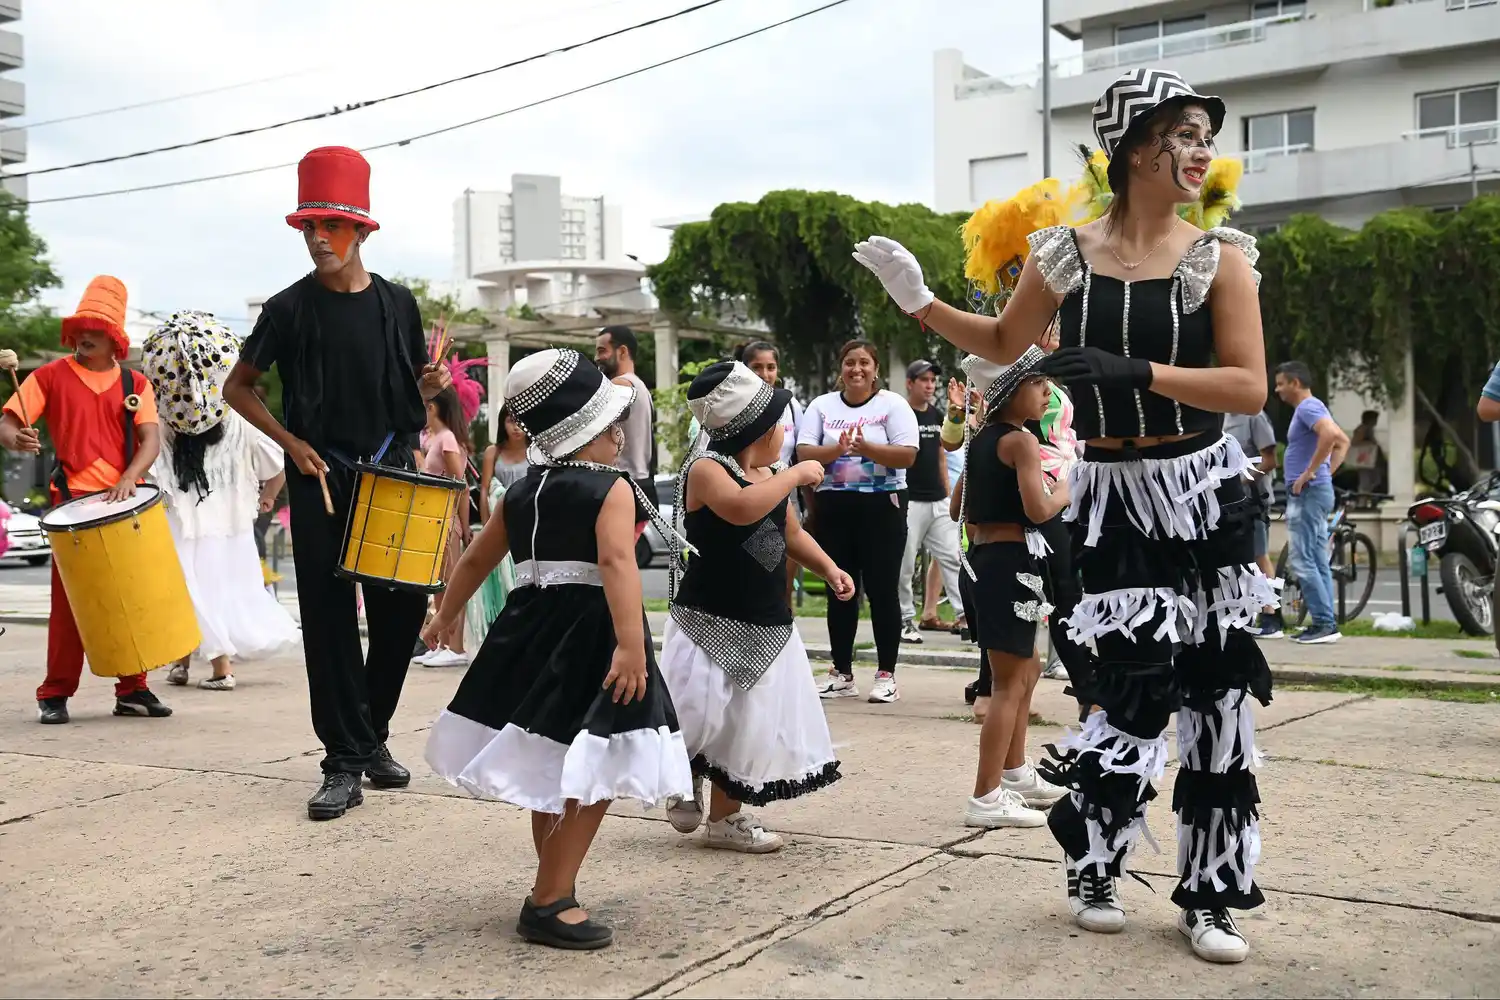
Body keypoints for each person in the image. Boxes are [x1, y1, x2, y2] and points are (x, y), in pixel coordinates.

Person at [854, 69, 1275, 964]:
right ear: (1134, 146)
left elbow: (1248, 385)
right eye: (1186, 134)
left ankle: (1211, 894)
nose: (1202, 152)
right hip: (1116, 502)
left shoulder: (1220, 258)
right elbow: (1006, 344)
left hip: (1204, 492)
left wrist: (1140, 376)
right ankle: (1096, 859)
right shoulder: (1064, 256)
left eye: (1205, 136)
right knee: (1128, 689)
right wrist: (919, 304)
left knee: (1217, 692)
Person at [423, 348, 693, 951]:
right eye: (611, 425)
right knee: (591, 770)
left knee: (550, 761)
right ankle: (549, 899)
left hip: (530, 628)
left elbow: (474, 558)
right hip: (593, 633)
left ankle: (553, 879)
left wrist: (447, 612)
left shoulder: (521, 493)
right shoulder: (610, 489)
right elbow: (616, 562)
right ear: (587, 429)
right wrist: (630, 645)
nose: (620, 437)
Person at [223, 146, 453, 820]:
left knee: (401, 611)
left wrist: (428, 384)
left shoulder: (397, 304)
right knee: (328, 622)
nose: (318, 239)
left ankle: (370, 737)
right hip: (319, 478)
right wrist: (291, 444)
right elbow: (239, 388)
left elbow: (406, 381)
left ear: (361, 231)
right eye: (308, 228)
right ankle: (342, 762)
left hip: (391, 475)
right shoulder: (288, 309)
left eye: (331, 226)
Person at [658, 360, 852, 852]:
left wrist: (829, 569)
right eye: (777, 424)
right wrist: (796, 476)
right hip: (709, 620)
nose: (785, 432)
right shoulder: (707, 470)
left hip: (764, 621)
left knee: (748, 725)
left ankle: (727, 819)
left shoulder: (767, 472)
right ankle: (682, 775)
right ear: (752, 429)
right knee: (699, 714)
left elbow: (789, 532)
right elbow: (743, 507)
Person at [0, 276, 172, 724]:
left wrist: (131, 477)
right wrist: (15, 438)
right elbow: (9, 421)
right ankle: (55, 692)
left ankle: (133, 688)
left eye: (94, 328)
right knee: (71, 603)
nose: (83, 335)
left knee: (129, 597)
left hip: (122, 504)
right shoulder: (49, 376)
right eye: (79, 327)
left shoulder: (135, 381)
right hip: (71, 502)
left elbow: (151, 439)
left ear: (114, 337)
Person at [143, 311, 300, 691]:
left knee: (187, 589)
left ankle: (221, 668)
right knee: (211, 590)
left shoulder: (165, 426)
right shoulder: (238, 421)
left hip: (183, 524)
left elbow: (150, 472)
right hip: (230, 526)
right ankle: (182, 662)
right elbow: (278, 462)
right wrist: (267, 497)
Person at [950, 347, 1069, 829]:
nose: (1047, 393)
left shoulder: (982, 438)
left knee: (1028, 668)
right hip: (1008, 562)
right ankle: (985, 796)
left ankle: (1015, 772)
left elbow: (959, 500)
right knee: (1007, 684)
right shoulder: (1019, 441)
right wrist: (1068, 485)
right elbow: (1039, 510)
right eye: (1039, 385)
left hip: (991, 561)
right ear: (1010, 390)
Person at [797, 339, 919, 704]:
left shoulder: (892, 405)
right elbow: (804, 452)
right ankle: (841, 672)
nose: (856, 369)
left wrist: (866, 448)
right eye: (850, 362)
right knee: (841, 588)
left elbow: (907, 455)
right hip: (834, 506)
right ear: (841, 368)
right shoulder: (822, 406)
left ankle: (886, 674)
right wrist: (837, 449)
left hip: (883, 505)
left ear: (875, 369)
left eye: (864, 363)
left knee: (882, 591)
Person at [1274, 360, 1349, 645]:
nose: (1277, 389)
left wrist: (1311, 472)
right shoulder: (1312, 408)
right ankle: (1325, 622)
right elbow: (1343, 442)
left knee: (1302, 559)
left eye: (1281, 383)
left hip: (1307, 493)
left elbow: (1331, 436)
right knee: (1316, 558)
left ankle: (1324, 624)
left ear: (1295, 382)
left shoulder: (1307, 407)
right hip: (1315, 491)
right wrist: (1325, 473)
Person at [897, 359, 966, 643]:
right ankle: (904, 620)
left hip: (938, 500)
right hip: (910, 500)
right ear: (909, 383)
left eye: (932, 380)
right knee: (905, 564)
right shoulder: (901, 413)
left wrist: (948, 492)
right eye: (923, 380)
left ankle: (965, 616)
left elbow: (941, 454)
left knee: (953, 557)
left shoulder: (937, 414)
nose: (929, 385)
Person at [737, 341, 807, 604]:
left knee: (782, 569)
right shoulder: (731, 404)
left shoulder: (789, 406)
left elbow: (801, 451)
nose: (765, 374)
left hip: (784, 498)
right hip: (746, 493)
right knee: (752, 570)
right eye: (757, 367)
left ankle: (783, 615)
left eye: (770, 367)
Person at [413, 386, 473, 669]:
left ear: (432, 408)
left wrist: (462, 524)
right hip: (434, 518)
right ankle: (443, 644)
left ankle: (457, 646)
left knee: (451, 583)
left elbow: (460, 484)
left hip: (447, 519)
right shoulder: (436, 440)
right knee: (439, 583)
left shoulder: (447, 439)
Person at [594, 325, 657, 565]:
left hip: (624, 485)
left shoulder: (621, 386)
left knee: (612, 564)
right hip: (638, 485)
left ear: (622, 351)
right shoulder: (640, 387)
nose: (598, 358)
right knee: (621, 563)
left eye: (602, 350)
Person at [466, 403, 526, 652]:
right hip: (499, 522)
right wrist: (488, 522)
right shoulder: (494, 452)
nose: (516, 427)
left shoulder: (536, 451)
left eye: (521, 421)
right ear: (502, 423)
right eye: (511, 421)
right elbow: (484, 488)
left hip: (527, 523)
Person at [1224, 408, 1281, 639]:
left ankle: (1272, 615)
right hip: (1232, 501)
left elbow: (1270, 461)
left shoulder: (1254, 417)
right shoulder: (1225, 417)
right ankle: (1247, 612)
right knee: (1238, 559)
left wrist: (1241, 482)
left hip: (1253, 499)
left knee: (1259, 555)